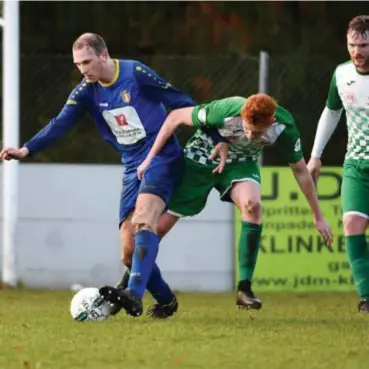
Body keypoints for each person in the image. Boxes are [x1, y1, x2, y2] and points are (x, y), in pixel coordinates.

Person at [0, 32, 200, 318]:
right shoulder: (86, 90)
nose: (83, 70)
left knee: (144, 218)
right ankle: (166, 301)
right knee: (128, 253)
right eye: (78, 64)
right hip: (132, 164)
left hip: (161, 156)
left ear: (103, 55)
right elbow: (60, 123)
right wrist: (26, 149)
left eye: (87, 62)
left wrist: (211, 131)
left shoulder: (135, 73)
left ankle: (133, 294)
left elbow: (180, 100)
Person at [113, 93, 333, 311]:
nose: (250, 135)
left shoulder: (284, 127)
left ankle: (244, 289)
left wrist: (318, 216)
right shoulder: (226, 109)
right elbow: (175, 117)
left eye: (257, 133)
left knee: (253, 206)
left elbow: (301, 171)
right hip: (200, 160)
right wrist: (149, 159)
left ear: (271, 121)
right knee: (157, 228)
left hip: (240, 164)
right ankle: (129, 283)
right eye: (246, 127)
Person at [307, 15, 369, 313]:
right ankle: (367, 298)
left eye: (364, 45)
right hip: (356, 165)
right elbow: (332, 113)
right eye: (352, 45)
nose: (357, 52)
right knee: (351, 224)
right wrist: (316, 155)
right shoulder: (341, 74)